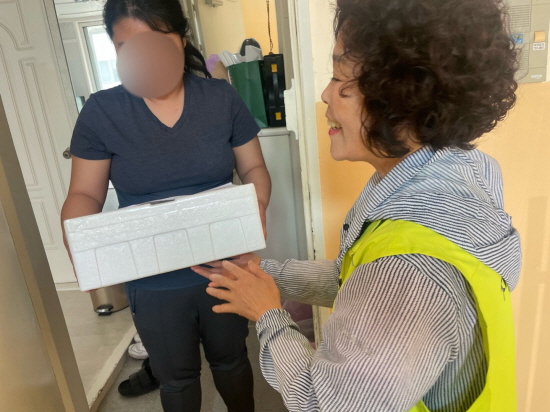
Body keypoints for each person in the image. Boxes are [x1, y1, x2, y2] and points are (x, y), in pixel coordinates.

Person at [192, 0, 521, 411]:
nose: (325, 94)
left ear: (401, 94)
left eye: (338, 76)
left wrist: (268, 313)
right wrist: (266, 274)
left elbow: (322, 402)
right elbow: (352, 279)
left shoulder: (407, 272)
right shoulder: (459, 172)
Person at [60, 0, 271, 410]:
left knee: (231, 361)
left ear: (181, 39)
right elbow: (85, 194)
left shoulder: (220, 98)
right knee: (177, 379)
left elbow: (254, 168)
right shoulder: (102, 112)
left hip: (224, 266)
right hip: (152, 280)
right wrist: (79, 242)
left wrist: (256, 207)